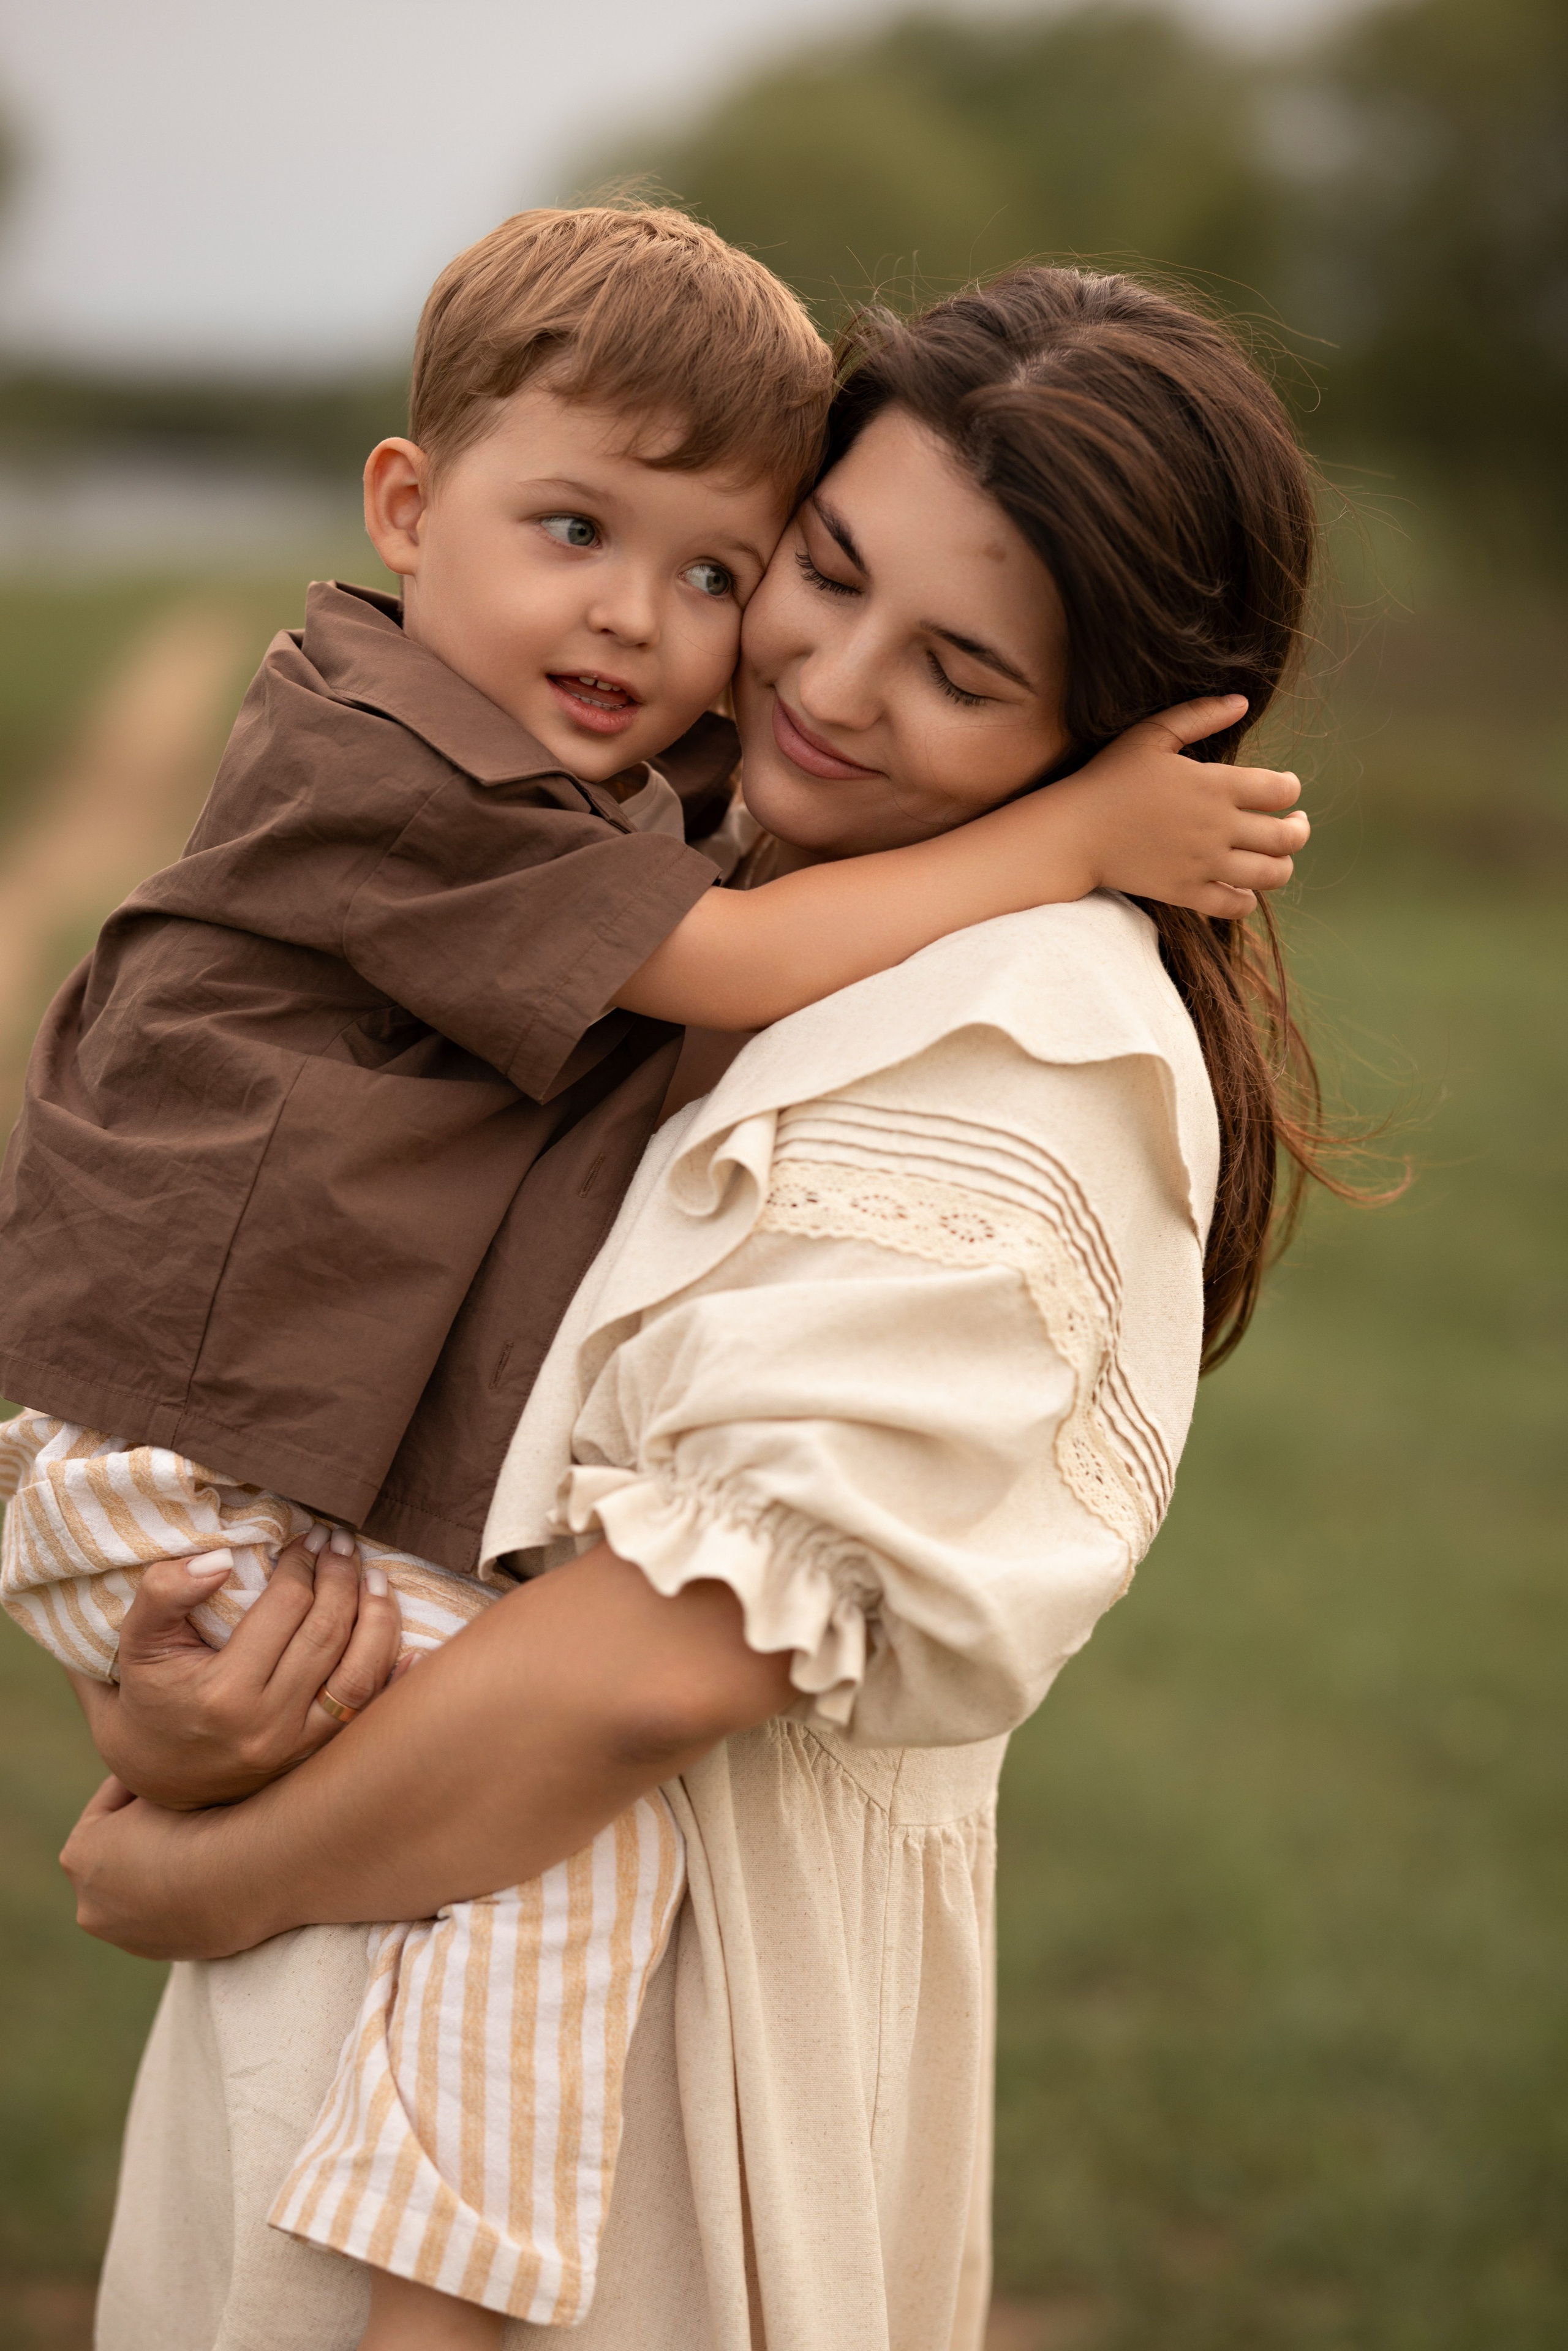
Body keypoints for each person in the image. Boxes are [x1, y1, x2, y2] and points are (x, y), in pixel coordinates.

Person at [0, 220, 1302, 2345]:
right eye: (828, 570)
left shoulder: (1001, 1033)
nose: (821, 678)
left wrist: (190, 1865)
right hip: (357, 1926)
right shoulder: (666, 836)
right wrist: (164, 1711)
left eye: (963, 670)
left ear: (1127, 740)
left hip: (648, 2077)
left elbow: (648, 1672)